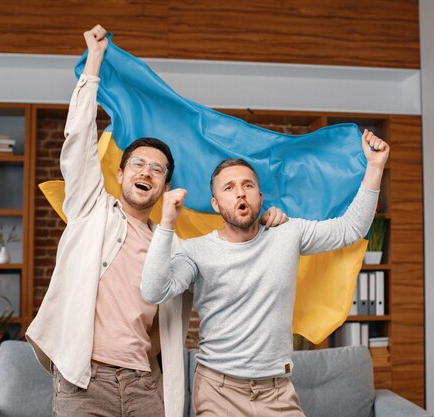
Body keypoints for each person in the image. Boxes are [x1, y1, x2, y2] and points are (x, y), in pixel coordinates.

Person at [26, 25, 287, 417]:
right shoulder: (91, 211)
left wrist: (265, 228)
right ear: (120, 173)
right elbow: (78, 137)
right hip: (84, 381)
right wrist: (94, 60)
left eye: (158, 169)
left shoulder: (175, 248)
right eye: (139, 164)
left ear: (165, 185)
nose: (147, 171)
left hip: (144, 384)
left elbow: (232, 277)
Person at [141, 129, 389, 416]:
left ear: (259, 196)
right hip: (218, 390)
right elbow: (153, 290)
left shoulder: (287, 234)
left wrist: (375, 166)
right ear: (216, 203)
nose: (240, 192)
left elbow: (351, 229)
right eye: (229, 188)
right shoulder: (195, 251)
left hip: (277, 391)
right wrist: (168, 223)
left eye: (247, 185)